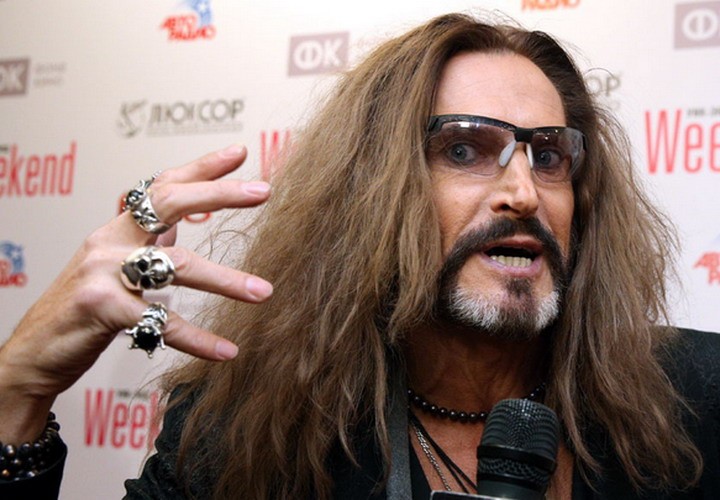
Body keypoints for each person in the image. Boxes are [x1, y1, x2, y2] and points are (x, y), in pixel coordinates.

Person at [1, 11, 719, 500]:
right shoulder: (244, 431)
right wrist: (17, 396)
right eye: (463, 150)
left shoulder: (700, 397)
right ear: (374, 191)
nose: (524, 193)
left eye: (550, 155)